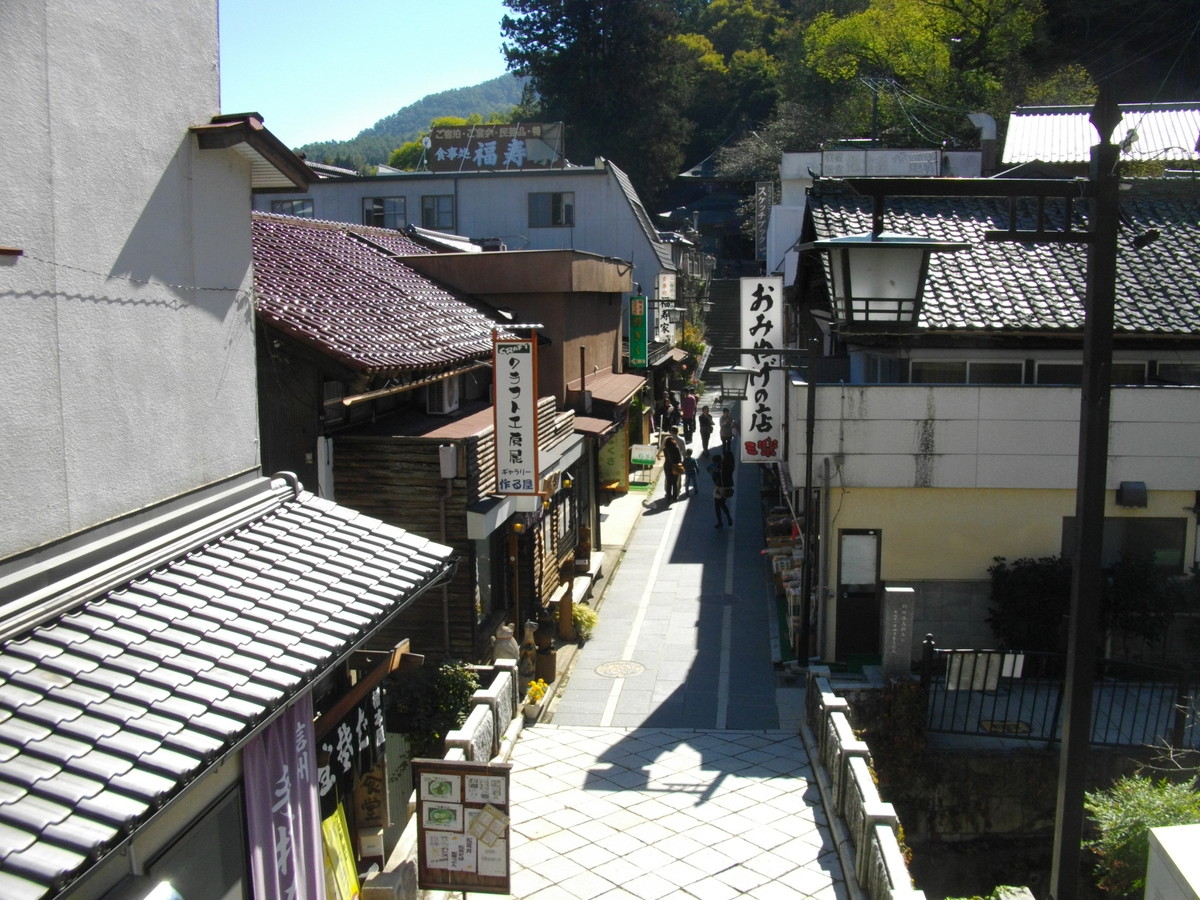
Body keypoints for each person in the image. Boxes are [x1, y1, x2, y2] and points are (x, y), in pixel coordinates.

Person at [707, 452, 734, 528]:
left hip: (719, 488)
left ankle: (720, 521)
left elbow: (710, 471)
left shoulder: (718, 467)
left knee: (717, 505)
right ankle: (728, 518)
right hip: (728, 488)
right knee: (722, 503)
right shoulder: (730, 466)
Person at [661, 426, 683, 502]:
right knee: (674, 482)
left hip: (667, 466)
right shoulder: (676, 448)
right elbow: (679, 458)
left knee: (669, 481)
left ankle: (668, 497)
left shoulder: (665, 449)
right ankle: (674, 497)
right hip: (675, 466)